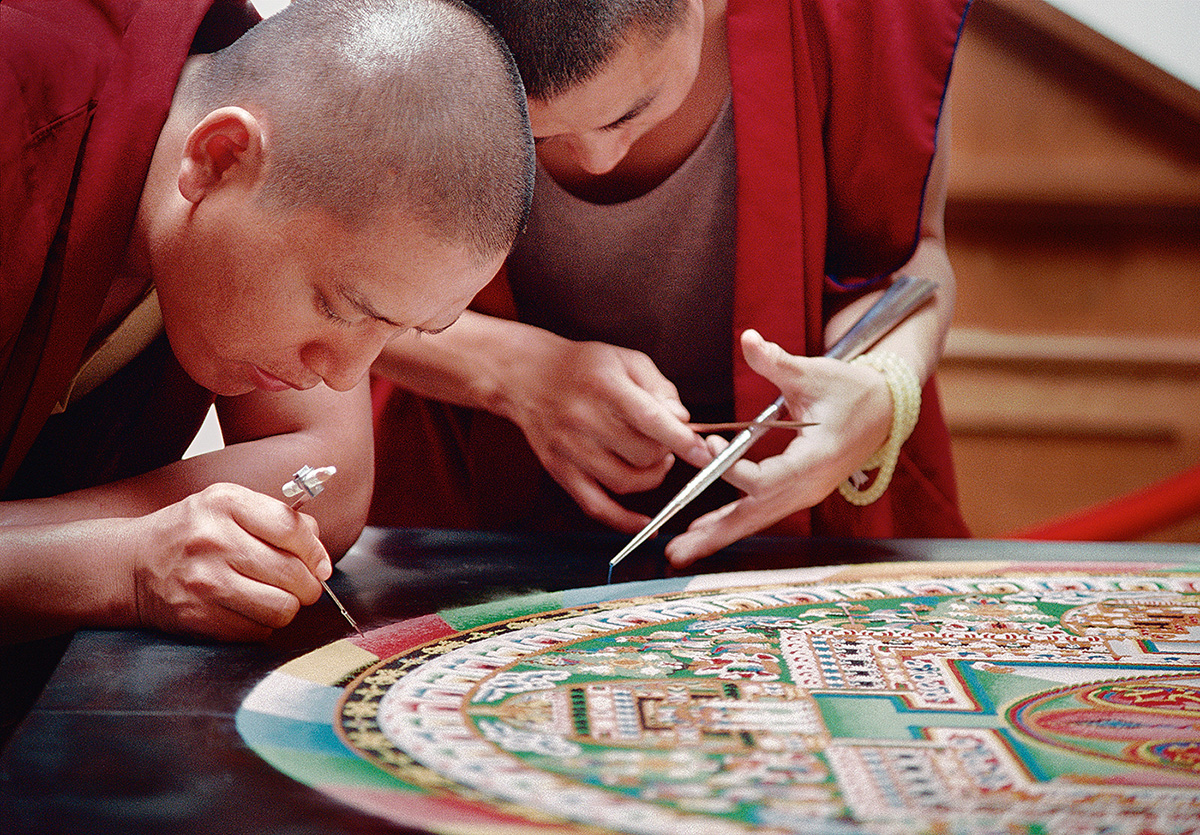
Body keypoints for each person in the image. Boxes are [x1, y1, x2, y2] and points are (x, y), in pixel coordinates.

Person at [0, 0, 533, 649]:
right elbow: (127, 559)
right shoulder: (20, 103)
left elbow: (328, 473)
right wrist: (115, 564)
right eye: (340, 308)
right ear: (219, 158)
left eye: (399, 331)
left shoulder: (283, 121)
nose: (343, 377)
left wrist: (31, 543)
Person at [369, 0, 973, 566]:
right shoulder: (404, 25)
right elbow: (325, 288)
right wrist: (515, 372)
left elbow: (916, 256)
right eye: (536, 135)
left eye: (630, 112)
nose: (595, 160)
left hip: (807, 511)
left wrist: (881, 383)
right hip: (468, 505)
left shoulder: (858, 18)